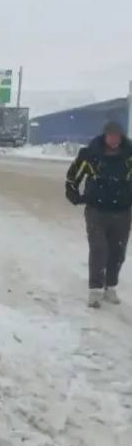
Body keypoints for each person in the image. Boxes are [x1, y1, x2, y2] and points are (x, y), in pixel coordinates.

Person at [65, 120, 132, 308]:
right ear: (105, 136)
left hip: (122, 212)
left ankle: (110, 287)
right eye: (111, 135)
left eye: (117, 136)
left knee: (117, 252)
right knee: (99, 249)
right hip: (97, 211)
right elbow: (72, 177)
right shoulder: (91, 155)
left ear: (122, 136)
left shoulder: (129, 156)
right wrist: (74, 195)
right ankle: (95, 290)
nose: (114, 139)